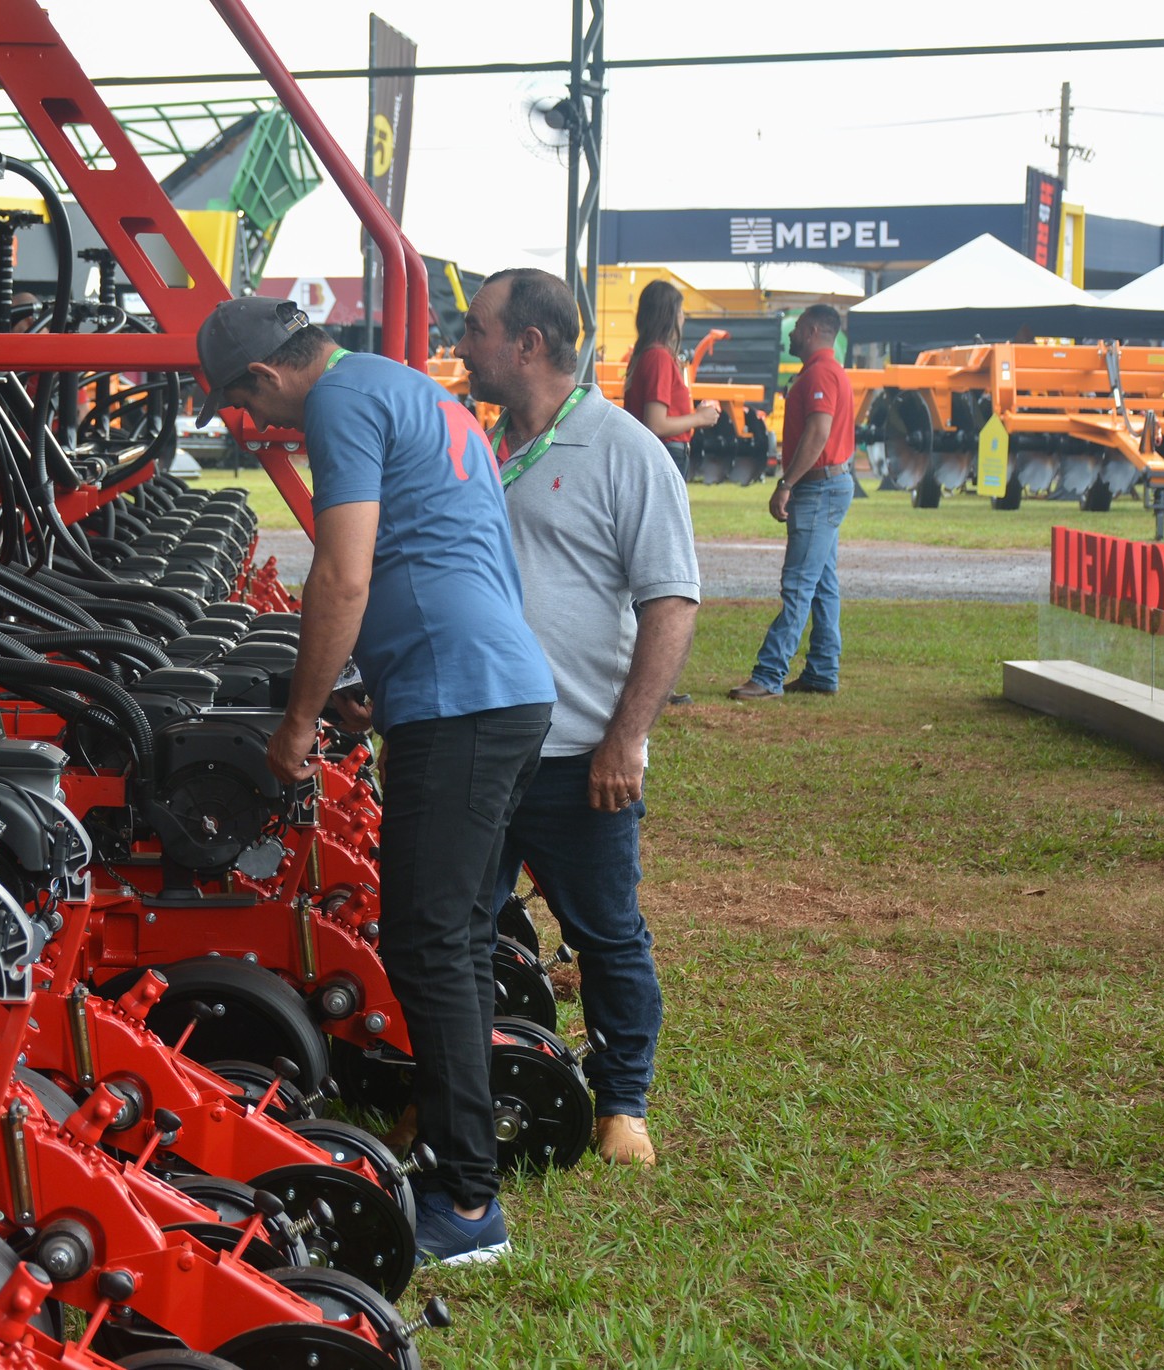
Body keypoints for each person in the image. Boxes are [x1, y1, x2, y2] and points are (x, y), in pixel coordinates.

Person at [195, 295, 555, 1264]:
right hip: (499, 684)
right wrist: (377, 684)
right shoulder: (413, 392)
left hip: (462, 699)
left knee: (427, 942)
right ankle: (454, 1143)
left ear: (263, 379)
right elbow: (456, 550)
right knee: (455, 939)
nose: (252, 424)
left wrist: (300, 717)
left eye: (241, 405)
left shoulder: (337, 406)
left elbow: (342, 574)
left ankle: (466, 1203)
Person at [453, 267, 698, 1168]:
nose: (463, 344)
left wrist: (625, 737)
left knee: (604, 933)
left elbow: (672, 601)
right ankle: (456, 1095)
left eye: (476, 329)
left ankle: (622, 1104)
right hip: (477, 744)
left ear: (529, 344)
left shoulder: (624, 450)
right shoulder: (479, 446)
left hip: (576, 754)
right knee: (458, 933)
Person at [730, 304, 855, 699]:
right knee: (822, 585)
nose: (791, 334)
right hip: (830, 484)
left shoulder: (820, 372)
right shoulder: (828, 370)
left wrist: (786, 483)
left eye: (797, 327)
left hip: (818, 487)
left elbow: (818, 433)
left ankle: (768, 676)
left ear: (813, 330)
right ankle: (821, 671)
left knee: (799, 584)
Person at [620, 278, 721, 474]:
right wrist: (699, 418)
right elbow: (656, 424)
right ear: (669, 317)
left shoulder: (646, 355)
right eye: (680, 311)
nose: (683, 318)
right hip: (667, 453)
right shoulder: (659, 357)